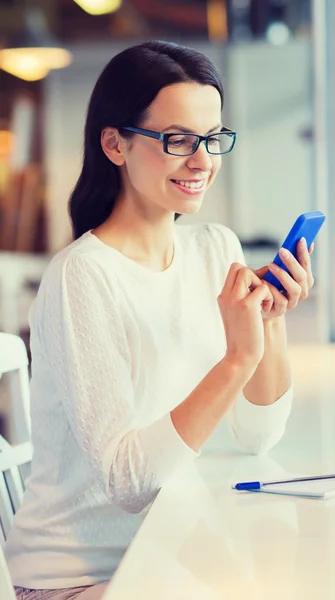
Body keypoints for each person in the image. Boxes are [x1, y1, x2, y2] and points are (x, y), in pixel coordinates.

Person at [5, 40, 314, 599]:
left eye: (213, 138)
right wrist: (237, 359)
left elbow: (257, 436)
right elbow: (128, 481)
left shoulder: (216, 248)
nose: (202, 161)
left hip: (175, 557)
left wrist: (270, 322)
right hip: (85, 580)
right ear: (115, 144)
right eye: (177, 140)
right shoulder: (81, 277)